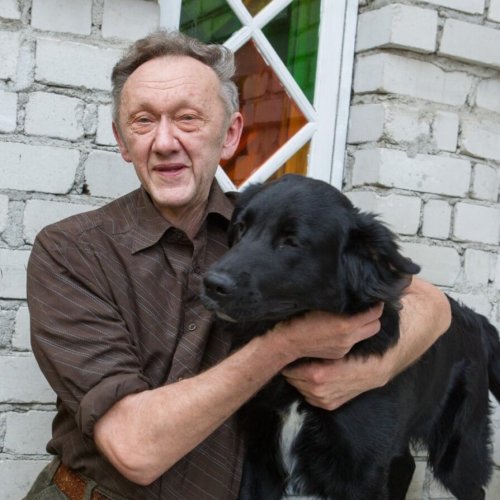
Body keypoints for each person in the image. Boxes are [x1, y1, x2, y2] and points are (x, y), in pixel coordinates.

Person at [25, 30, 451, 500]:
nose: (164, 141)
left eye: (187, 118)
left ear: (230, 135)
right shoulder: (71, 251)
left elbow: (431, 304)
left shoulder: (267, 224)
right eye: (143, 121)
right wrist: (285, 344)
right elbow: (135, 449)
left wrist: (375, 367)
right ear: (123, 141)